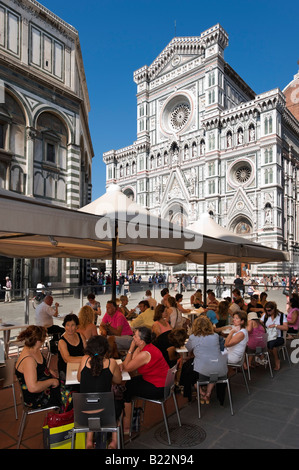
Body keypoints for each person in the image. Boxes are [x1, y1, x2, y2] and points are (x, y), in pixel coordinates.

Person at [120, 327, 170, 433]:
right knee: (129, 384)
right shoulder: (146, 347)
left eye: (135, 336)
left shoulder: (145, 354)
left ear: (141, 341)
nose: (133, 337)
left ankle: (127, 426)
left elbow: (128, 367)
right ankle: (130, 417)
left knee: (126, 390)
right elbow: (129, 363)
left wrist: (130, 348)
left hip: (159, 387)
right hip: (161, 381)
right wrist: (125, 363)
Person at [77, 335, 123, 449]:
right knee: (118, 404)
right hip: (106, 414)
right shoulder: (111, 363)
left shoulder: (84, 359)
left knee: (92, 406)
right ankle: (113, 442)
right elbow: (118, 380)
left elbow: (79, 379)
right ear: (106, 349)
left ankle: (89, 442)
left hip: (83, 413)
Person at [15, 325, 61, 409]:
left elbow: (38, 369)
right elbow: (33, 388)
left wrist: (49, 371)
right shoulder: (29, 359)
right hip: (36, 397)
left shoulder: (33, 349)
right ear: (38, 341)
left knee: (71, 387)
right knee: (72, 396)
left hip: (43, 388)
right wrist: (52, 381)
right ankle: (63, 417)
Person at [185, 316, 228, 404]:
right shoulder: (215, 336)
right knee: (212, 369)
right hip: (220, 370)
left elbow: (188, 348)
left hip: (202, 373)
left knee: (188, 370)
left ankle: (200, 392)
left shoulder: (193, 337)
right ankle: (208, 392)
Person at [57, 313, 86, 385]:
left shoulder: (81, 336)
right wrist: (85, 359)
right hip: (66, 369)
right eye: (67, 325)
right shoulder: (62, 341)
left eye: (73, 325)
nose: (70, 328)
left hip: (80, 366)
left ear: (76, 326)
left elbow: (87, 351)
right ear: (64, 326)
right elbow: (67, 359)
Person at [261, 301, 288, 371]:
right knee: (256, 342)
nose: (268, 312)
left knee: (271, 344)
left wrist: (275, 325)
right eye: (266, 310)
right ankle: (261, 357)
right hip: (268, 336)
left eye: (269, 310)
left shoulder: (281, 316)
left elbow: (286, 328)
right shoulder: (265, 316)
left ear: (274, 309)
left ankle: (276, 359)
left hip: (278, 337)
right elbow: (259, 324)